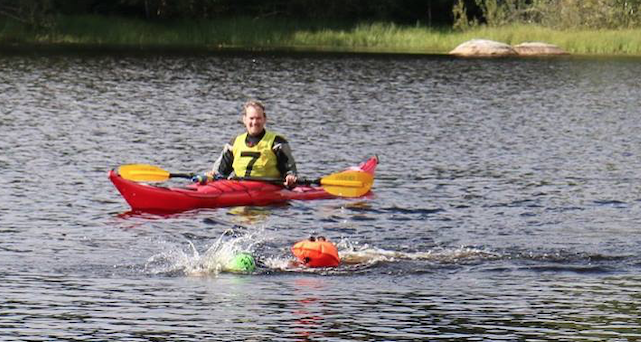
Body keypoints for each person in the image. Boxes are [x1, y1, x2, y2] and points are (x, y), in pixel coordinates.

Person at [206, 100, 298, 187]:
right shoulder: (233, 144)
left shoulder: (277, 143)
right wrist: (212, 175)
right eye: (251, 118)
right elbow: (220, 172)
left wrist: (290, 177)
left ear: (264, 119)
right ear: (244, 119)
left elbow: (290, 170)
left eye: (258, 118)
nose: (254, 122)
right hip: (238, 188)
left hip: (270, 189)